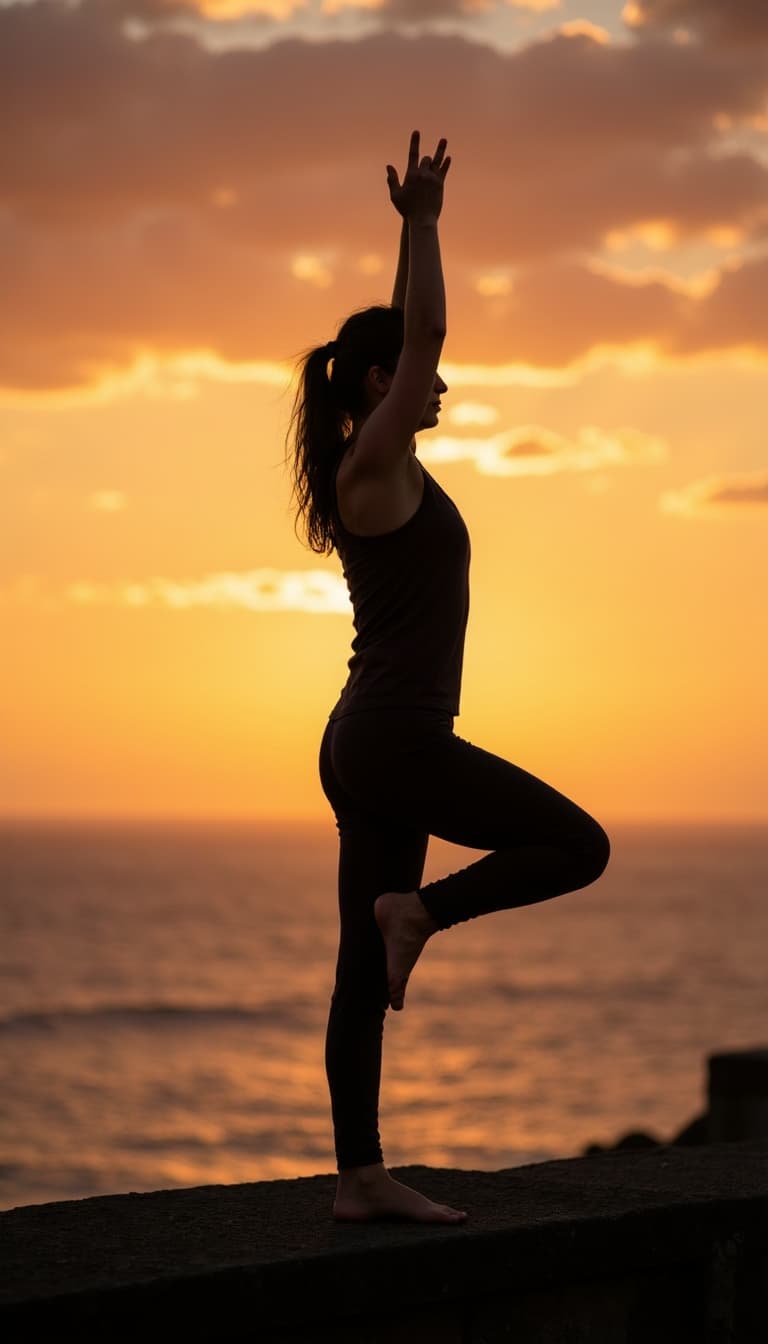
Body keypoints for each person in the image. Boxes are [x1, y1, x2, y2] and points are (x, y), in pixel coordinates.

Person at [285, 131, 611, 1225]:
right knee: (577, 846)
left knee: (355, 964)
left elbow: (398, 336)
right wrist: (423, 225)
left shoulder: (382, 461)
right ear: (382, 385)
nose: (441, 386)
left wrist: (399, 248)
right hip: (393, 737)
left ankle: (358, 1175)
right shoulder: (370, 463)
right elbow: (421, 331)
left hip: (365, 740)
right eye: (417, 378)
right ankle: (419, 912)